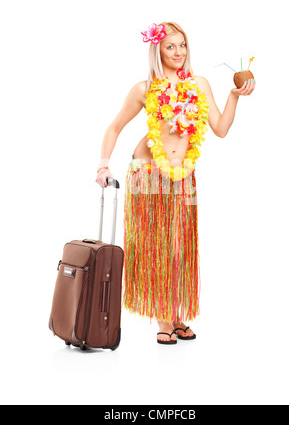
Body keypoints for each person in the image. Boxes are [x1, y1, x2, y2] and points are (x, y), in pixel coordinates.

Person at [95, 21, 255, 345]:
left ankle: (176, 314)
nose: (179, 52)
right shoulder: (145, 89)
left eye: (182, 45)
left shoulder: (199, 84)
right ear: (157, 49)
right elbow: (114, 127)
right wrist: (102, 166)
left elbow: (221, 128)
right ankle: (163, 319)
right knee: (155, 245)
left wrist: (234, 96)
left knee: (179, 248)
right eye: (171, 46)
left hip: (184, 177)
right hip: (147, 174)